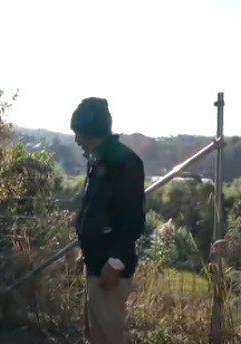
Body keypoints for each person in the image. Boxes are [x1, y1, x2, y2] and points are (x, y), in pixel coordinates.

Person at [69, 97, 146, 344]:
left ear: (92, 131)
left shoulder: (124, 162)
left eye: (79, 133)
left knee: (108, 337)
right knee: (97, 335)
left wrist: (115, 262)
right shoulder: (99, 159)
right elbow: (97, 211)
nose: (76, 139)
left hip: (109, 267)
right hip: (97, 261)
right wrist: (86, 252)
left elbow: (132, 219)